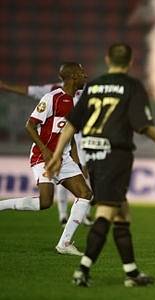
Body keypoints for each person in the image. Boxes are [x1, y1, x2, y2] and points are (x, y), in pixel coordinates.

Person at [46, 43, 155, 287]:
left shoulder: (93, 86)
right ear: (131, 62)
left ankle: (132, 273)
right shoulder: (131, 86)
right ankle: (82, 270)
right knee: (106, 212)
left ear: (107, 59)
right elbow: (143, 124)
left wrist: (56, 154)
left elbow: (71, 123)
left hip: (93, 156)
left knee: (122, 214)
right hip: (115, 156)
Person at [0, 62, 93, 256]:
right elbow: (30, 125)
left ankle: (65, 243)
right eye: (82, 72)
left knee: (85, 193)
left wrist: (77, 162)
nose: (86, 75)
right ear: (73, 76)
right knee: (45, 202)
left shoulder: (78, 103)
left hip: (64, 158)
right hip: (43, 157)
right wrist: (46, 151)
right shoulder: (52, 98)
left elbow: (71, 134)